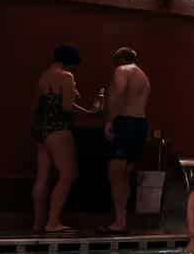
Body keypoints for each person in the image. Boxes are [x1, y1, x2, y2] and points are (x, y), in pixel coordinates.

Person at [31, 45, 99, 234]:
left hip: (41, 129)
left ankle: (38, 223)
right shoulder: (66, 76)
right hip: (59, 128)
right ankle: (53, 222)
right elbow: (68, 107)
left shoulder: (44, 75)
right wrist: (92, 112)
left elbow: (35, 105)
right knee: (68, 174)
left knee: (42, 177)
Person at [101, 47, 151, 234]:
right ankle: (122, 220)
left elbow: (119, 93)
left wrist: (109, 120)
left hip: (125, 123)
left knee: (116, 175)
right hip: (140, 124)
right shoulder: (143, 76)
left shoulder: (122, 70)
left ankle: (119, 222)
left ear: (120, 58)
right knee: (125, 174)